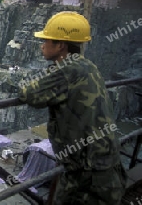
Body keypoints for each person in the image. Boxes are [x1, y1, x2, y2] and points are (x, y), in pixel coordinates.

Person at [18, 11, 127, 204]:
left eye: (47, 41)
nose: (42, 46)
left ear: (60, 45)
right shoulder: (87, 65)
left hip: (88, 171)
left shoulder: (66, 70)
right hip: (103, 163)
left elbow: (29, 94)